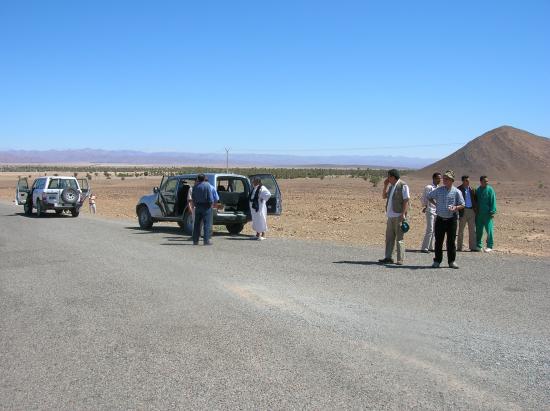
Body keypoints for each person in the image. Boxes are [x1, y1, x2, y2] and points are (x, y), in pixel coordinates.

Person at [427, 170, 465, 269]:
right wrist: (436, 204)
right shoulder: (439, 190)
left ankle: (451, 261)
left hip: (451, 220)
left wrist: (455, 208)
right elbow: (429, 196)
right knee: (438, 241)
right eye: (444, 178)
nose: (444, 180)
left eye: (447, 179)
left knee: (451, 241)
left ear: (452, 180)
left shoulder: (457, 191)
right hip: (440, 219)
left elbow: (462, 204)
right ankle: (437, 261)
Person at [378, 169, 410, 265]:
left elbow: (406, 200)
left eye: (389, 177)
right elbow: (384, 196)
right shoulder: (391, 186)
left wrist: (403, 214)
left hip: (399, 215)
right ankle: (388, 257)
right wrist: (385, 185)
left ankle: (400, 259)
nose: (388, 178)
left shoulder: (403, 185)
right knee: (389, 237)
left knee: (399, 238)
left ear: (393, 177)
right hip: (391, 216)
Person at [420, 172, 441, 253]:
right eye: (438, 178)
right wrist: (425, 206)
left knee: (435, 229)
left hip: (437, 211)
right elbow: (425, 197)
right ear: (434, 178)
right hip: (430, 210)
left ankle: (431, 247)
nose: (439, 180)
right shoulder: (429, 187)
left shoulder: (439, 188)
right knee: (430, 229)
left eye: (440, 178)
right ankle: (424, 247)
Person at [475, 175, 497, 252]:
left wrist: (493, 211)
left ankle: (490, 246)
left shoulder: (490, 190)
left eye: (487, 181)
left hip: (488, 214)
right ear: (481, 182)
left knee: (489, 230)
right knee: (479, 230)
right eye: (485, 181)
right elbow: (476, 201)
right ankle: (478, 245)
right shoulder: (478, 190)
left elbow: (493, 201)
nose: (486, 182)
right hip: (479, 214)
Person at [191, 174, 214, 245]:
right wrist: (210, 205)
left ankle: (195, 240)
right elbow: (210, 197)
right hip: (206, 207)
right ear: (204, 178)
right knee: (206, 224)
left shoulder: (195, 186)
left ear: (198, 178)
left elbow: (193, 197)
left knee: (197, 224)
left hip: (198, 207)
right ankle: (206, 240)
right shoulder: (207, 185)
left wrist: (195, 204)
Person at [457, 175, 478, 251]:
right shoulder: (458, 189)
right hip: (463, 211)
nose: (468, 182)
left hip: (471, 211)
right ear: (463, 181)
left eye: (468, 180)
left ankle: (473, 247)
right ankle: (459, 247)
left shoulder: (472, 189)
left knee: (472, 230)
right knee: (461, 230)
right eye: (466, 180)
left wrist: (475, 210)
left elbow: (476, 200)